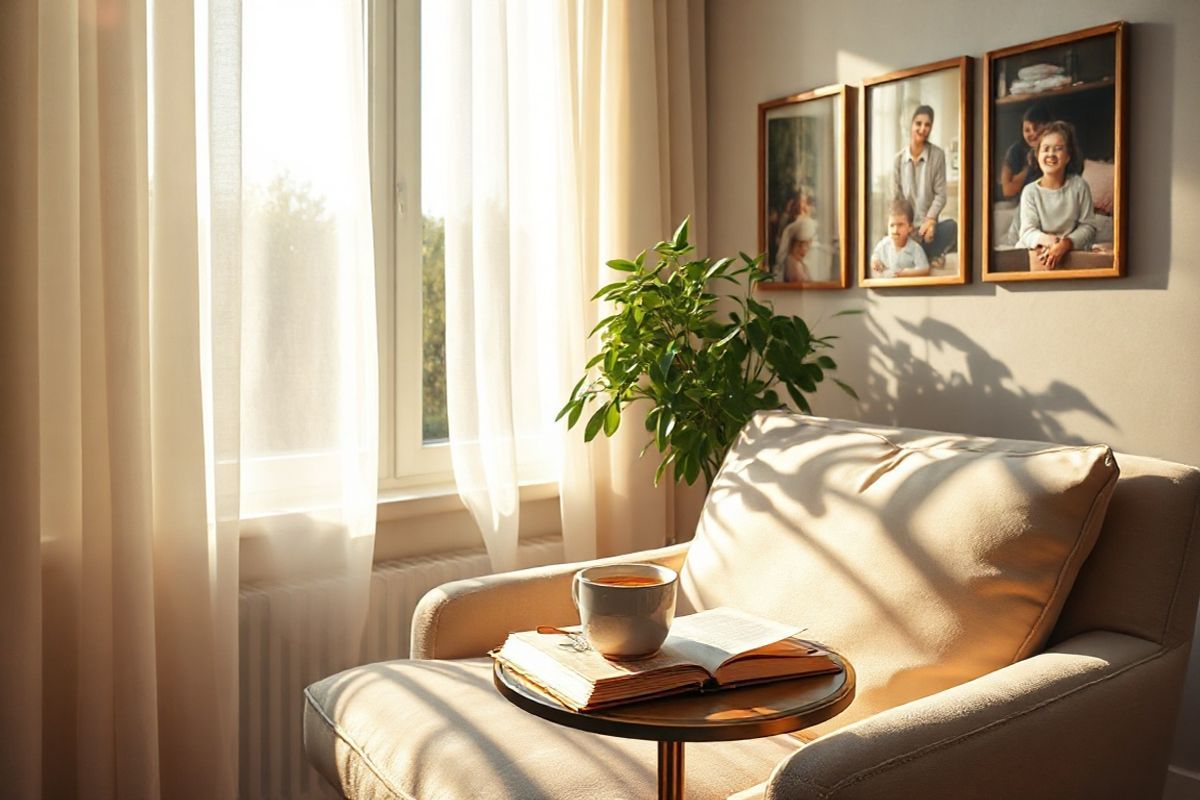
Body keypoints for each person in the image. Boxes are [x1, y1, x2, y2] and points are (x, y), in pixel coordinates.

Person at [1017, 120, 1097, 271]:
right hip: (1038, 252)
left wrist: (1066, 244)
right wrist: (1050, 242)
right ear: (1038, 154)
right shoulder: (1030, 191)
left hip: (1069, 249)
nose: (1051, 154)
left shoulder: (1079, 186)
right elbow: (1027, 232)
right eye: (1045, 149)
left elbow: (1089, 226)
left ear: (1067, 156)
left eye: (1058, 149)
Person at [891, 104, 956, 268]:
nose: (922, 128)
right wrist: (907, 227)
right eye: (918, 123)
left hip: (928, 229)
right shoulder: (898, 160)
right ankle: (928, 256)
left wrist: (930, 220)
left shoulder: (937, 155)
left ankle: (922, 255)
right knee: (894, 243)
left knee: (952, 227)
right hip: (908, 228)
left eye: (927, 125)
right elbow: (896, 200)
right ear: (911, 125)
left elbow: (941, 195)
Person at [999, 103, 1051, 199]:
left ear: (1048, 126)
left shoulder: (1054, 150)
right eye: (1027, 130)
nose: (1033, 133)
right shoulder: (1015, 151)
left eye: (1036, 127)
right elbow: (1008, 190)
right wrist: (1030, 165)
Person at [871, 197, 929, 278]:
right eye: (892, 225)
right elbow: (874, 256)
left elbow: (925, 270)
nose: (895, 230)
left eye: (900, 225)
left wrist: (906, 273)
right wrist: (875, 262)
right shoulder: (883, 244)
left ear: (910, 227)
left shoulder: (915, 249)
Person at [777, 215, 817, 282]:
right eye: (799, 245)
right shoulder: (793, 265)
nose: (803, 249)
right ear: (791, 245)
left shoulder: (800, 263)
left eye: (807, 245)